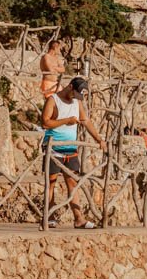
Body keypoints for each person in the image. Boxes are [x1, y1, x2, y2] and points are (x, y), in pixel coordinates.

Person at [40, 77, 107, 228]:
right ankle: (48, 216)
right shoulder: (53, 100)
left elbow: (85, 121)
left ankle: (79, 218)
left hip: (70, 149)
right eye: (75, 94)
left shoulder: (77, 102)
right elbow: (45, 122)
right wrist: (65, 121)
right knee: (51, 183)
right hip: (54, 148)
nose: (76, 98)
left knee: (72, 183)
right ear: (70, 87)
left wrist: (98, 139)